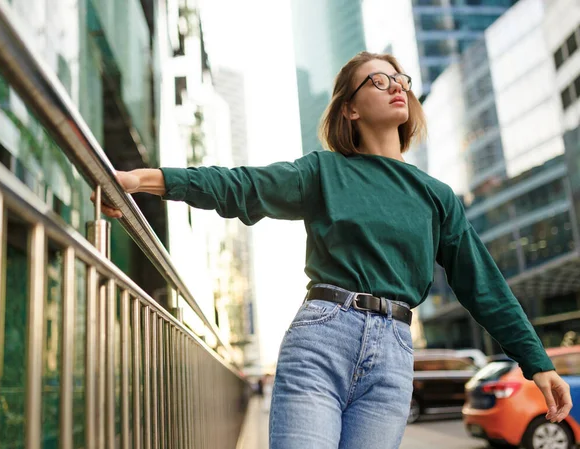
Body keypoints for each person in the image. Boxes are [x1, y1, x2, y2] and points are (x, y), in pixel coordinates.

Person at [94, 52, 572, 449]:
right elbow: (241, 186)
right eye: (378, 80)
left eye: (399, 78)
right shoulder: (326, 172)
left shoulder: (437, 196)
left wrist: (538, 362)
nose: (395, 85)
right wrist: (143, 181)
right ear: (351, 108)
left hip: (393, 358)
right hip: (323, 339)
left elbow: (481, 283)